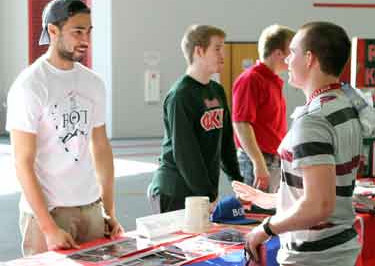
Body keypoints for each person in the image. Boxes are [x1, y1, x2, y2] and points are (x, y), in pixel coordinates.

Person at [233, 22, 364, 266]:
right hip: (339, 249)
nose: (288, 59)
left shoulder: (313, 120)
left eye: (292, 52)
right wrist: (272, 199)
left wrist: (264, 229)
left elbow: (318, 205)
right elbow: (325, 188)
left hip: (314, 256)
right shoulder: (345, 107)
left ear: (309, 58)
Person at [6, 0, 124, 256]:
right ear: (53, 31)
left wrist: (108, 210)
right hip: (49, 213)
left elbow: (100, 147)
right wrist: (48, 228)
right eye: (77, 31)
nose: (85, 40)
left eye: (88, 31)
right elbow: (22, 162)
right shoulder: (30, 85)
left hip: (91, 209)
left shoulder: (93, 83)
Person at [148, 25, 243, 213]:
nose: (222, 55)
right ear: (199, 51)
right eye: (217, 48)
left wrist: (238, 181)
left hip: (200, 191)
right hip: (175, 190)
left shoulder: (217, 90)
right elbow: (185, 154)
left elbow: (226, 143)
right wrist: (207, 194)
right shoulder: (180, 96)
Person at [232, 25, 295, 192]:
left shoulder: (272, 81)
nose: (294, 57)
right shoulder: (251, 79)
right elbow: (241, 124)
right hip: (259, 159)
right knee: (256, 212)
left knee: (270, 211)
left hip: (272, 158)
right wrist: (258, 163)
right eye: (292, 51)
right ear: (278, 53)